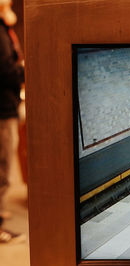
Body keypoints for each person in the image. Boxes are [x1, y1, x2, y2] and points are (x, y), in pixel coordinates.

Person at [0, 0, 25, 243]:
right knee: (3, 170)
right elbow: (5, 70)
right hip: (3, 110)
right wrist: (27, 70)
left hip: (7, 107)